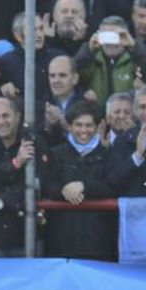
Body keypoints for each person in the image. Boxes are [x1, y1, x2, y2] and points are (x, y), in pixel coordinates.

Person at [44, 99, 117, 260]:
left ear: (98, 126)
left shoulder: (108, 154)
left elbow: (112, 186)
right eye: (78, 125)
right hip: (61, 240)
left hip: (99, 241)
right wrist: (65, 191)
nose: (83, 130)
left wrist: (84, 186)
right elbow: (48, 186)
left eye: (89, 125)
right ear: (69, 126)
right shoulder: (56, 153)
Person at [0, 97, 44, 257]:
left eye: (6, 116)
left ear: (17, 116)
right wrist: (15, 164)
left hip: (26, 235)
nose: (1, 121)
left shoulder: (32, 142)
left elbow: (34, 184)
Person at [74, 16, 146, 107]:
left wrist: (134, 46)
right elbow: (75, 75)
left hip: (126, 115)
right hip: (97, 117)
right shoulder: (91, 58)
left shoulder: (134, 58)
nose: (111, 43)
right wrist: (88, 50)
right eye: (107, 36)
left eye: (116, 36)